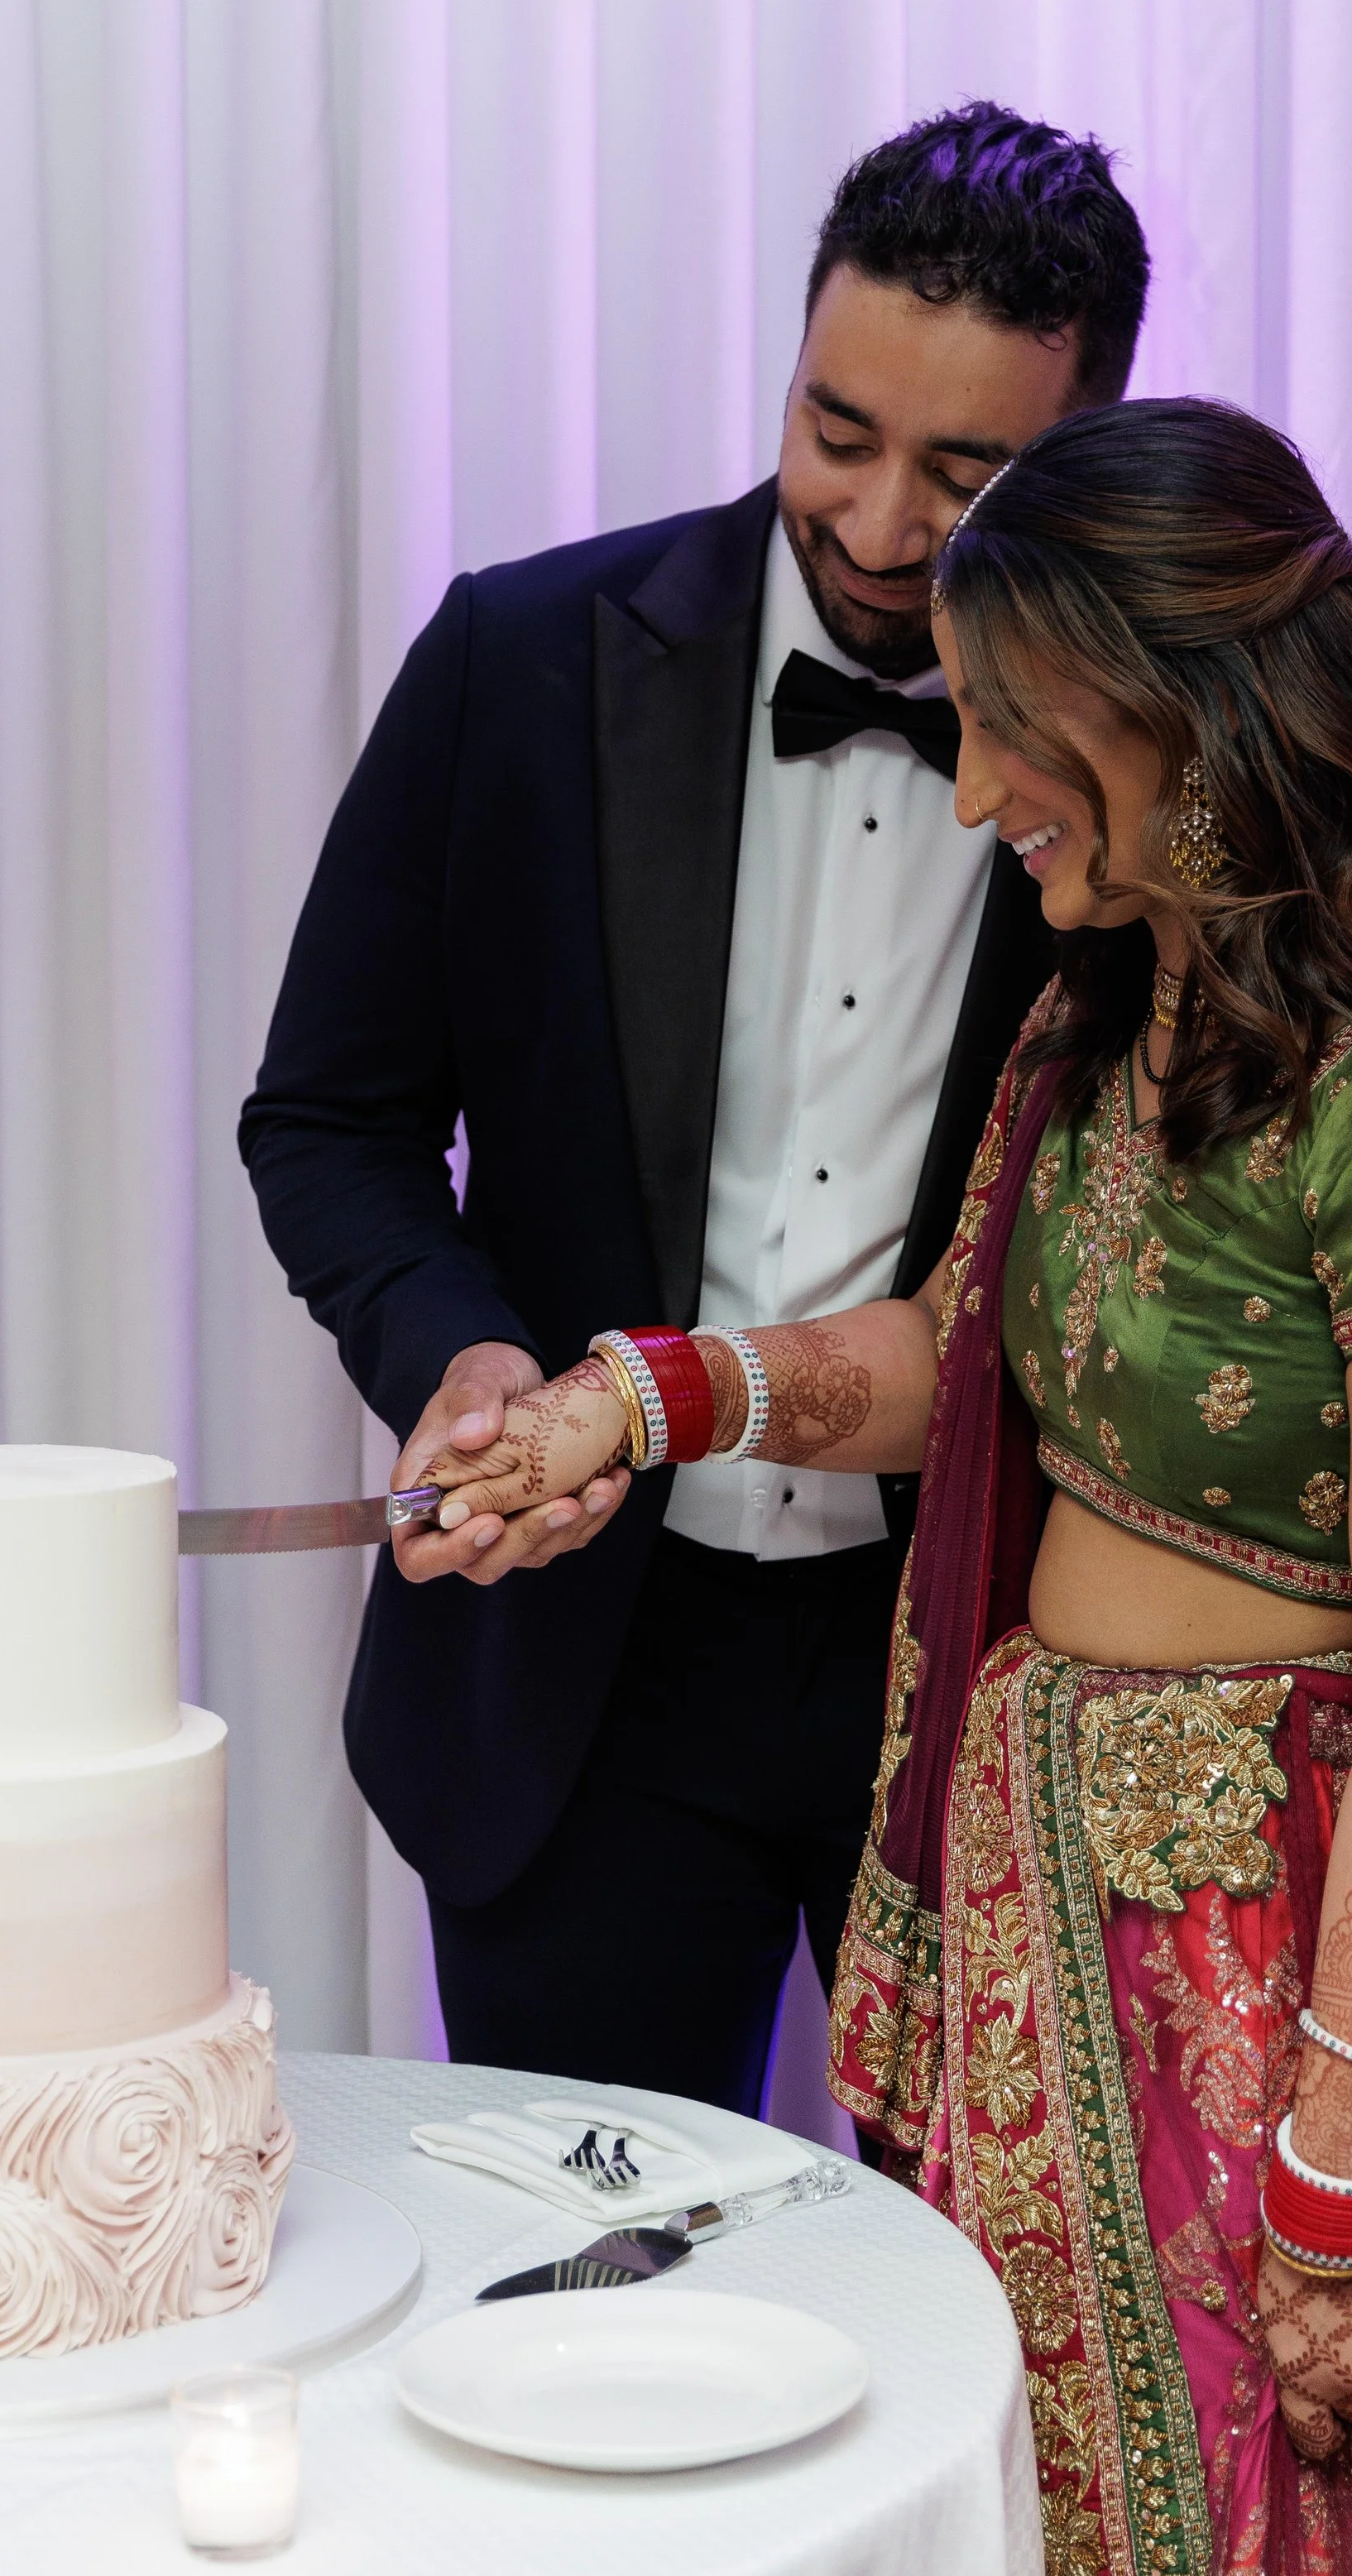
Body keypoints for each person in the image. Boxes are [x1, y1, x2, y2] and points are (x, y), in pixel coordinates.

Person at [413, 398, 1352, 2566]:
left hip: (1272, 1961)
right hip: (1040, 1931)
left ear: (1171, 705)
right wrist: (639, 1392)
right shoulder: (1112, 1011)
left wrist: (1347, 2167)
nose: (971, 790)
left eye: (1006, 726)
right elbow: (953, 1362)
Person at [240, 104, 1149, 2108]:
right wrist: (460, 1356)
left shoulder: (1149, 763)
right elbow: (327, 1117)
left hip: (972, 1669)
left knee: (985, 2341)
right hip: (581, 1669)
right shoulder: (516, 659)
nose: (886, 523)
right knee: (598, 2318)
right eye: (837, 429)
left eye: (966, 472)